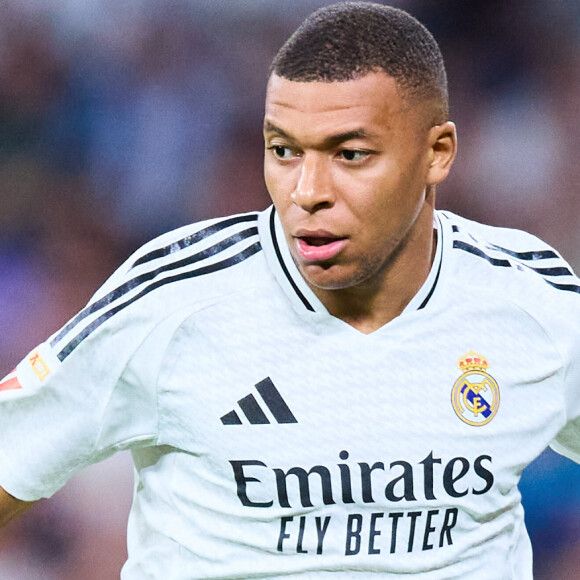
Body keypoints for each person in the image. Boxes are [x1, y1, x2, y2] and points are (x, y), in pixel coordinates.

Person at [1, 2, 579, 578]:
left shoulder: (531, 301)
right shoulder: (175, 300)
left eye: (350, 154)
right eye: (285, 150)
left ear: (437, 154)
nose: (307, 191)